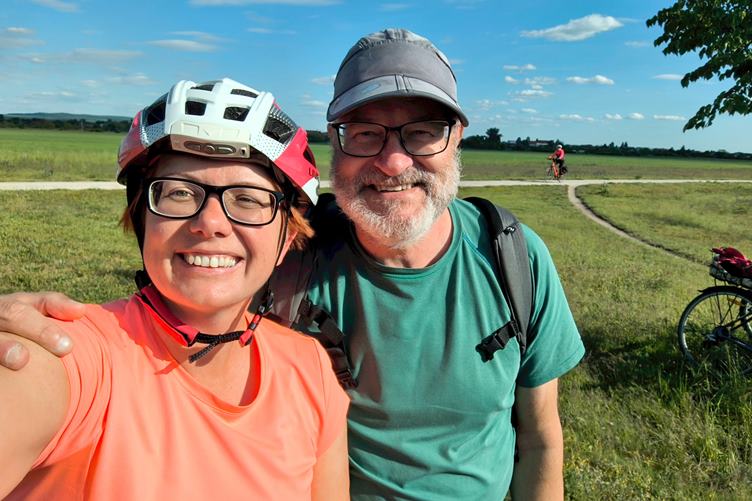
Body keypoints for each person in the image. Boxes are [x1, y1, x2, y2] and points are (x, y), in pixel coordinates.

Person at [0, 29, 584, 500]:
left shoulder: (513, 257)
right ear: (335, 140)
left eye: (423, 132)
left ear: (456, 139)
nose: (393, 160)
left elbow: (540, 437)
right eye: (365, 133)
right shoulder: (80, 359)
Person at [0, 77, 350, 500]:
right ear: (143, 219)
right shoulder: (73, 354)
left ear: (286, 240)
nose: (210, 223)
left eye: (248, 198)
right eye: (180, 193)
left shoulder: (310, 369)